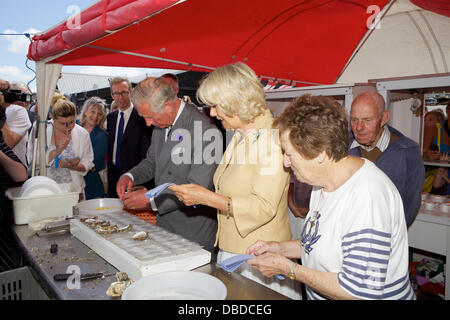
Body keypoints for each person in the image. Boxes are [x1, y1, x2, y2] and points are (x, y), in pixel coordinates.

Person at [246, 94, 415, 300]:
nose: (285, 162)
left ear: (320, 154)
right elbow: (320, 244)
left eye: (289, 154)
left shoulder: (367, 196)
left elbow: (359, 293)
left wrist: (290, 270)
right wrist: (279, 248)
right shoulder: (323, 183)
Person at [169, 62, 298, 299]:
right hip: (235, 250)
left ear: (236, 101)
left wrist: (207, 198)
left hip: (259, 258)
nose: (213, 113)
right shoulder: (242, 134)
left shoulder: (270, 138)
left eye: (216, 106)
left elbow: (263, 207)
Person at [116, 76, 221, 254]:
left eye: (149, 117)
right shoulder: (161, 123)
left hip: (193, 235)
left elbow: (197, 189)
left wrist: (150, 199)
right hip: (165, 228)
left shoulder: (206, 132)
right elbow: (151, 162)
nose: (148, 124)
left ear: (167, 105)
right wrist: (130, 176)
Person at [349, 91, 424, 228]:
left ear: (384, 118)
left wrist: (391, 237)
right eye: (354, 120)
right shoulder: (341, 148)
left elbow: (410, 205)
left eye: (367, 120)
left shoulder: (408, 152)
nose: (359, 127)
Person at [106, 77, 153, 198]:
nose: (120, 97)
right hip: (114, 175)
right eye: (117, 93)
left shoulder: (142, 117)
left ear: (131, 92)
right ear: (112, 95)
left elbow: (146, 152)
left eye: (124, 92)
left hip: (134, 177)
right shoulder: (111, 118)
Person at [46, 94, 94, 197]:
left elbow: (88, 161)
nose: (68, 127)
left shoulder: (82, 133)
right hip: (47, 190)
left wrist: (74, 166)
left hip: (74, 190)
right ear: (53, 119)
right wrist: (57, 151)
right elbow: (33, 160)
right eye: (63, 124)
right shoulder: (42, 130)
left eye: (71, 122)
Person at [79, 97, 108, 199]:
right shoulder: (74, 127)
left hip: (91, 184)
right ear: (85, 111)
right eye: (93, 111)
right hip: (73, 182)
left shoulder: (102, 135)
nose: (95, 116)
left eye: (99, 114)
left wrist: (71, 164)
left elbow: (95, 163)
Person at [0, 83, 31, 167]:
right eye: (18, 96)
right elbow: (7, 145)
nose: (24, 102)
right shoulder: (19, 111)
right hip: (12, 171)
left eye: (27, 97)